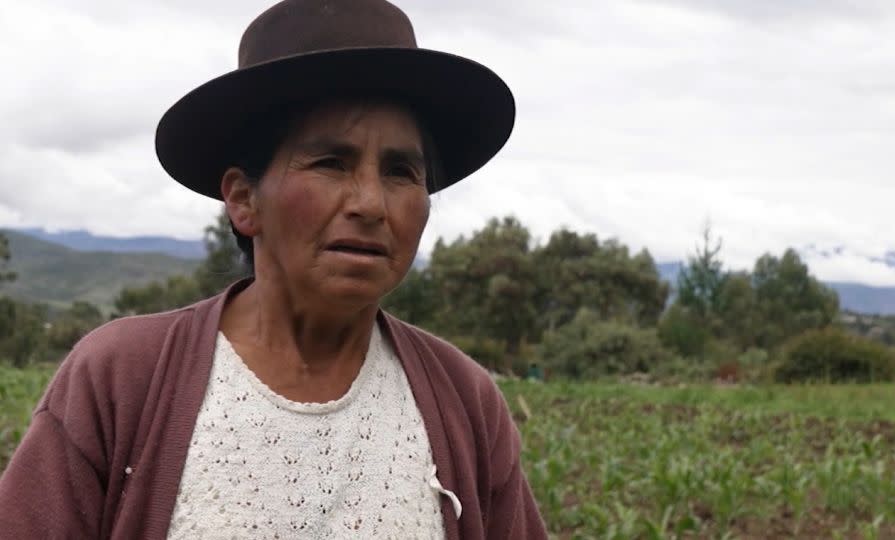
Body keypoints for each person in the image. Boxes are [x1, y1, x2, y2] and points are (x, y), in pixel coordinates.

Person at [0, 1, 547, 538]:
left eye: (401, 171)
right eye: (331, 163)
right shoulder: (121, 377)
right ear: (243, 200)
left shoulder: (464, 400)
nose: (371, 204)